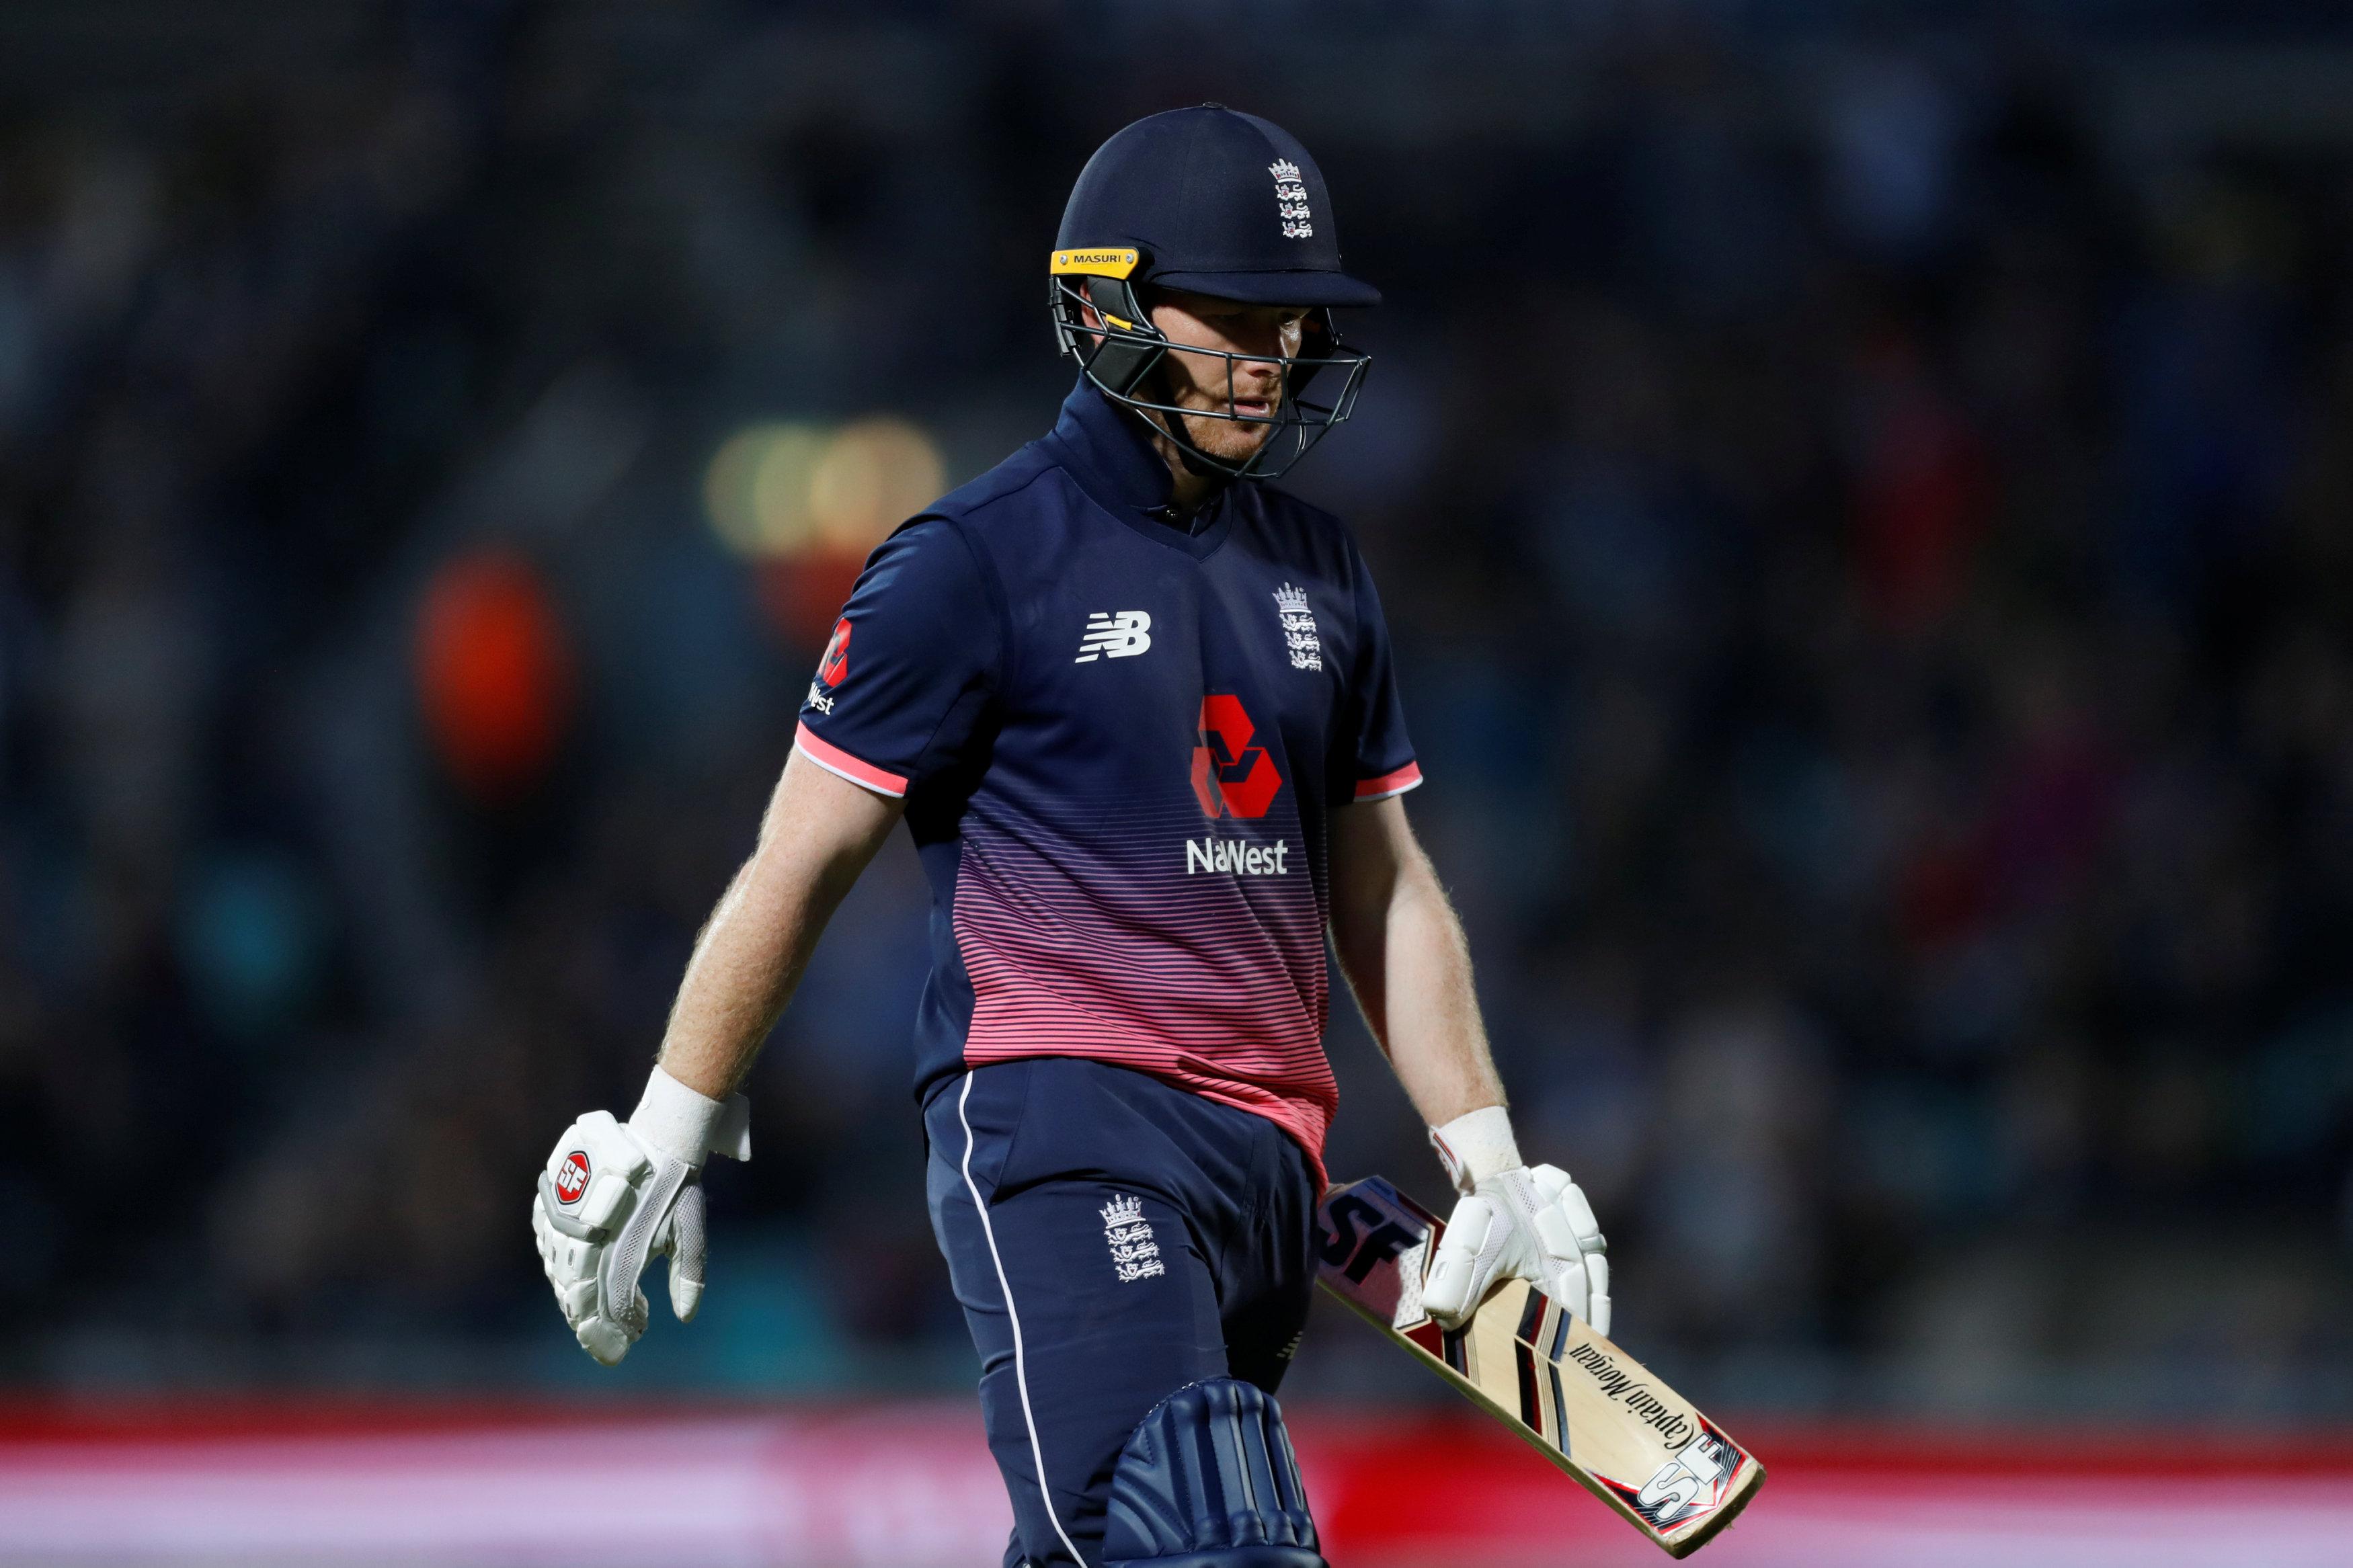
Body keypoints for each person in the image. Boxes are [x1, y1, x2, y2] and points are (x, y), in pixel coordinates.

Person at [531, 105, 1610, 1568]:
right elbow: (800, 859)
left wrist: (1491, 1161)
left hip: (1271, 1172)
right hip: (1066, 1135)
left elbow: (1385, 887)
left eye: (1293, 319)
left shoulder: (1322, 570)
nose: (1275, 354)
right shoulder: (968, 564)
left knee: (1117, 1545)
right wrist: (671, 1118)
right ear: (1105, 306)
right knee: (1196, 1536)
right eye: (1233, 316)